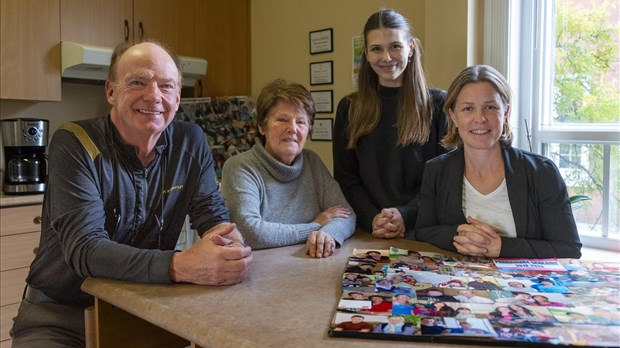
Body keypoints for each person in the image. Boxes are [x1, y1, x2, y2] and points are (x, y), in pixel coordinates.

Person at [9, 41, 253, 347]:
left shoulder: (191, 141)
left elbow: (212, 214)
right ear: (111, 91)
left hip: (147, 309)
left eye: (166, 86)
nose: (154, 96)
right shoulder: (74, 142)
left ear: (177, 98)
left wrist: (229, 247)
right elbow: (86, 249)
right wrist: (181, 265)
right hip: (61, 316)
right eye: (138, 82)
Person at [414, 64, 582, 258]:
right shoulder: (436, 170)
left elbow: (568, 249)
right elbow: (424, 231)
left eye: (490, 107)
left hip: (523, 286)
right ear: (453, 116)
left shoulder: (542, 172)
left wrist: (501, 247)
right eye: (468, 108)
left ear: (506, 112)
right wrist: (462, 236)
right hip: (458, 285)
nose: (480, 118)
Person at [332, 9, 448, 239]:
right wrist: (373, 217)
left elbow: (445, 178)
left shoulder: (439, 104)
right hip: (369, 231)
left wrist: (406, 214)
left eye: (395, 46)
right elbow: (346, 178)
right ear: (365, 53)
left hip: (424, 231)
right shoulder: (349, 107)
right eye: (376, 49)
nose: (386, 57)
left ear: (411, 48)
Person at [221, 79, 356, 258]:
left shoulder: (312, 162)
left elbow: (346, 214)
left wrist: (327, 234)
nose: (292, 129)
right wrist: (315, 226)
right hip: (261, 277)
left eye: (300, 122)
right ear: (262, 126)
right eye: (282, 120)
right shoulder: (240, 167)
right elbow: (249, 232)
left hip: (311, 269)